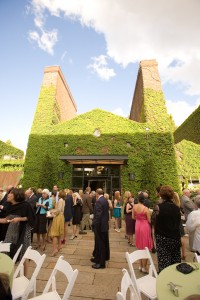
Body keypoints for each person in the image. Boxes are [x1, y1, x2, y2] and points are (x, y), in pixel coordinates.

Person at [0, 188, 35, 275]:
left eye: (10, 193)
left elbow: (31, 218)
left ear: (16, 195)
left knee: (24, 253)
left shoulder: (26, 205)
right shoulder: (10, 206)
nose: (8, 195)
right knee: (6, 251)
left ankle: (25, 277)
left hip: (23, 231)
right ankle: (7, 275)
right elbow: (6, 219)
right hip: (11, 232)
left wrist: (20, 219)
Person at [154, 185, 181, 272]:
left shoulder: (158, 207)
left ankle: (165, 282)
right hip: (175, 238)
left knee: (164, 265)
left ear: (161, 195)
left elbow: (153, 220)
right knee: (175, 264)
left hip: (163, 239)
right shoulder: (177, 208)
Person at [132, 193, 153, 273]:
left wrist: (139, 218)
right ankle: (144, 267)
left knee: (140, 246)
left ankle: (140, 265)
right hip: (144, 226)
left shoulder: (134, 207)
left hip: (137, 225)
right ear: (144, 200)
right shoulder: (145, 208)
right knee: (145, 247)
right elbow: (149, 220)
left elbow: (133, 217)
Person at [91, 188, 110, 269]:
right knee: (102, 243)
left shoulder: (99, 201)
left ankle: (101, 263)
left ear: (97, 194)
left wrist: (94, 224)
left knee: (100, 244)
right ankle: (98, 258)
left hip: (100, 226)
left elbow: (98, 216)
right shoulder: (105, 200)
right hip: (104, 225)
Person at [49, 190, 65, 256]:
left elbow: (59, 210)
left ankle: (54, 249)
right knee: (58, 233)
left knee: (54, 234)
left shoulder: (60, 200)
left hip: (58, 217)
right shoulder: (63, 200)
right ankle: (59, 247)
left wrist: (53, 213)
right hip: (60, 217)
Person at [172, 192, 186, 260]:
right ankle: (184, 253)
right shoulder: (178, 205)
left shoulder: (172, 205)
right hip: (179, 222)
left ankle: (178, 253)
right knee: (182, 238)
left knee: (178, 238)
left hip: (174, 223)